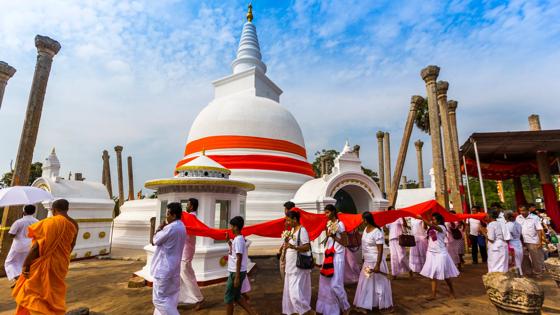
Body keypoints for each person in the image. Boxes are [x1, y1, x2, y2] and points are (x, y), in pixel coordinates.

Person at [12, 199, 79, 315]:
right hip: (61, 264)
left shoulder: (49, 222)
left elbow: (36, 247)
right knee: (53, 292)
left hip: (42, 264)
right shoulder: (74, 224)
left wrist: (26, 265)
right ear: (67, 209)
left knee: (33, 293)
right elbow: (72, 245)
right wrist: (62, 257)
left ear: (53, 210)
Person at [150, 202, 187, 315]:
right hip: (174, 268)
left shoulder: (170, 228)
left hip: (163, 270)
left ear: (174, 215)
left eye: (168, 214)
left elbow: (154, 241)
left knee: (159, 300)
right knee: (170, 299)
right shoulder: (182, 227)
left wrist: (158, 228)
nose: (166, 216)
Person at [353, 212, 393, 314]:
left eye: (363, 220)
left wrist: (378, 265)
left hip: (376, 261)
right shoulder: (365, 230)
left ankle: (380, 304)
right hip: (367, 262)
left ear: (366, 220)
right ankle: (366, 304)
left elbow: (380, 250)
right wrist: (363, 260)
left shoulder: (377, 231)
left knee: (379, 284)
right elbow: (365, 247)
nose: (362, 222)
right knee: (366, 282)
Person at [317, 204, 351, 315]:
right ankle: (330, 308)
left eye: (327, 212)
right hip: (329, 256)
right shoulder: (329, 224)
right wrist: (328, 235)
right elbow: (329, 241)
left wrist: (333, 236)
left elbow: (345, 243)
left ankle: (346, 306)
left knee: (336, 284)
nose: (325, 214)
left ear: (333, 212)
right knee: (325, 283)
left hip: (338, 257)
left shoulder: (340, 225)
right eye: (325, 212)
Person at [418, 212, 459, 300]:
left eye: (434, 219)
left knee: (446, 275)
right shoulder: (432, 227)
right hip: (431, 252)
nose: (432, 221)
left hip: (441, 253)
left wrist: (422, 218)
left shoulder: (442, 227)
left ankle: (452, 291)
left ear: (439, 220)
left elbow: (432, 226)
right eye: (432, 219)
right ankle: (433, 295)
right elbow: (429, 229)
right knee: (432, 274)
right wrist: (426, 219)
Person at [282, 210, 313, 315]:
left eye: (288, 220)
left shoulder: (302, 230)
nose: (286, 222)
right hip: (290, 266)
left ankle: (307, 311)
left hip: (298, 266)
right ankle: (298, 311)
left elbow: (306, 247)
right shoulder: (291, 230)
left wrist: (293, 246)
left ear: (295, 219)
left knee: (294, 294)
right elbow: (289, 245)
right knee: (293, 291)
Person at [225, 216, 257, 315]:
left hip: (235, 272)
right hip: (235, 271)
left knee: (228, 297)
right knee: (237, 297)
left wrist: (237, 277)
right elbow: (235, 253)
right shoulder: (237, 239)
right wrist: (228, 242)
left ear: (236, 227)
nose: (231, 228)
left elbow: (239, 258)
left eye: (232, 226)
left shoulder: (238, 240)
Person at [178, 198, 204, 310]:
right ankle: (182, 298)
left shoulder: (190, 217)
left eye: (187, 205)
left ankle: (199, 299)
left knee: (186, 275)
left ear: (192, 207)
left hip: (186, 251)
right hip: (184, 250)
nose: (186, 206)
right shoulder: (188, 217)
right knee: (183, 275)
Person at [4, 205, 39, 287]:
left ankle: (19, 279)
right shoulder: (37, 221)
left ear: (24, 211)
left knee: (9, 263)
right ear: (33, 212)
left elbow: (11, 235)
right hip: (31, 246)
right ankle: (23, 281)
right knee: (24, 263)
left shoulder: (19, 222)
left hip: (18, 246)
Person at [516, 205, 545, 277]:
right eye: (520, 211)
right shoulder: (518, 218)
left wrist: (539, 241)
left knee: (536, 258)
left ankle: (538, 273)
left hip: (533, 241)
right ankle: (528, 272)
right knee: (524, 258)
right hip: (522, 241)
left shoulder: (535, 217)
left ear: (528, 210)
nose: (522, 212)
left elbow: (539, 230)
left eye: (523, 210)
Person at [386, 212, 412, 279]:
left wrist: (402, 216)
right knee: (393, 257)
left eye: (393, 210)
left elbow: (405, 225)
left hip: (399, 239)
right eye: (391, 211)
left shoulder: (399, 217)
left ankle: (409, 270)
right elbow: (385, 229)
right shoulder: (388, 220)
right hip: (391, 240)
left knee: (402, 256)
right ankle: (394, 274)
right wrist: (384, 220)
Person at [279, 201, 296, 280]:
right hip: (287, 247)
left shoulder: (294, 223)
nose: (284, 211)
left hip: (291, 250)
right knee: (284, 269)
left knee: (287, 270)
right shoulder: (287, 221)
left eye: (285, 209)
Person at [505, 211, 523, 275]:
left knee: (514, 261)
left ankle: (518, 275)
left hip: (511, 244)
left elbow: (507, 237)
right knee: (518, 261)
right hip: (518, 243)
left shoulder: (508, 225)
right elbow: (521, 235)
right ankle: (519, 274)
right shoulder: (518, 224)